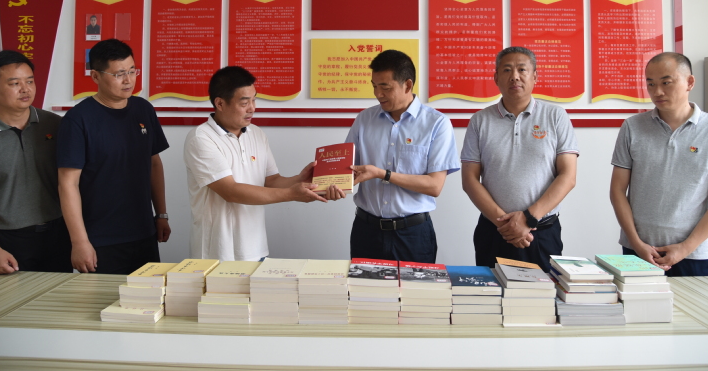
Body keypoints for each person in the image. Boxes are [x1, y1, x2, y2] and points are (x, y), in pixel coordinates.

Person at [609, 52, 708, 276]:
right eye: (650, 84)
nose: (657, 92)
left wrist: (684, 248)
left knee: (692, 301)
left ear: (689, 82)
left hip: (693, 253)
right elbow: (617, 190)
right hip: (638, 250)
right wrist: (636, 243)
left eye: (666, 83)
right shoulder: (632, 127)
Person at [326, 50, 460, 263]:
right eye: (374, 86)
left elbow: (434, 186)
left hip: (413, 235)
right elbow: (347, 169)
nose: (378, 94)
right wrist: (329, 183)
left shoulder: (436, 123)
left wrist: (383, 174)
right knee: (362, 286)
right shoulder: (364, 119)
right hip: (366, 231)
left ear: (407, 85)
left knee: (413, 286)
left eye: (385, 87)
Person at [183, 66, 325, 261]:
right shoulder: (201, 138)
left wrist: (300, 179)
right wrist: (292, 194)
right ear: (220, 103)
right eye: (244, 103)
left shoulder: (256, 133)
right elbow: (230, 191)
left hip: (256, 249)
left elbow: (271, 180)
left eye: (254, 100)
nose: (252, 108)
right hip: (217, 253)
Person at [57, 39, 171, 274]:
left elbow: (154, 164)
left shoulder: (143, 109)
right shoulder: (78, 120)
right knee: (104, 298)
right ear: (95, 76)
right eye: (119, 74)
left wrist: (161, 214)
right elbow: (67, 184)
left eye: (132, 71)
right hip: (100, 239)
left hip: (143, 231)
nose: (128, 80)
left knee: (149, 295)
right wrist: (79, 241)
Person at [461, 47, 579, 272]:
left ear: (535, 76)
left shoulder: (556, 116)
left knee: (544, 293)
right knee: (492, 292)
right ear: (496, 78)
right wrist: (506, 225)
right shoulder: (479, 121)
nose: (514, 76)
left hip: (541, 232)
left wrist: (527, 219)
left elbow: (568, 176)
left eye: (522, 70)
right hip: (494, 231)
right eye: (507, 70)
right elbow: (469, 180)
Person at [0, 50, 71, 274]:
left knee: (59, 295)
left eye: (29, 81)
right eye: (14, 83)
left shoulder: (55, 125)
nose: (25, 89)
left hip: (59, 233)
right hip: (9, 240)